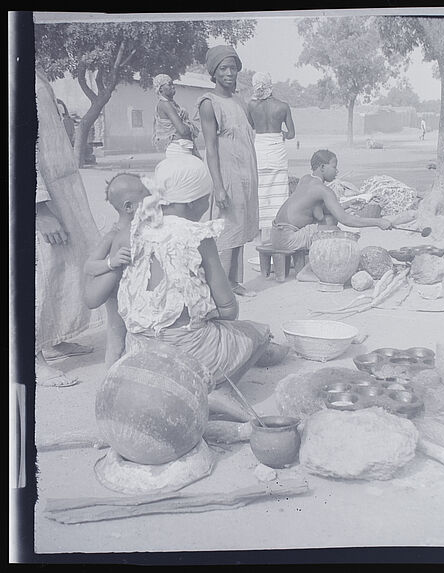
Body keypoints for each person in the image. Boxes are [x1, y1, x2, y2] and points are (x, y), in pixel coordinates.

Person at [116, 156, 283, 421]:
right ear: (193, 202)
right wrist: (213, 313)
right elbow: (229, 309)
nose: (209, 205)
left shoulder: (139, 229)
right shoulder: (197, 236)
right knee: (259, 334)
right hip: (187, 351)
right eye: (206, 199)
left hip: (138, 348)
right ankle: (216, 389)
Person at [35, 68, 101, 386]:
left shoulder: (33, 72)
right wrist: (38, 207)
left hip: (60, 187)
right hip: (37, 196)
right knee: (39, 275)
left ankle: (56, 337)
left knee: (65, 265)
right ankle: (30, 358)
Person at [195, 45, 259, 298]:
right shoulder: (209, 104)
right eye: (223, 68)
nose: (229, 73)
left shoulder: (239, 101)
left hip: (246, 174)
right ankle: (219, 289)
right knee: (225, 231)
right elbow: (210, 149)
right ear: (214, 72)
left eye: (233, 68)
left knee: (240, 227)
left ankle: (233, 282)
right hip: (227, 175)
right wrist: (219, 186)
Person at [83, 173, 149, 368]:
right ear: (129, 207)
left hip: (139, 296)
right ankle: (110, 379)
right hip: (117, 298)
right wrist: (111, 262)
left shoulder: (145, 229)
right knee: (116, 341)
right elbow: (89, 266)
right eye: (146, 199)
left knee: (137, 340)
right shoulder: (113, 235)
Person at [271, 149, 393, 252]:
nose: (337, 171)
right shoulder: (323, 190)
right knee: (335, 232)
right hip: (288, 239)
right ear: (323, 167)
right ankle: (308, 270)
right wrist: (378, 222)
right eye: (334, 167)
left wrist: (348, 204)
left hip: (276, 234)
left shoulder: (305, 179)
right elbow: (346, 220)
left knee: (330, 220)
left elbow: (317, 211)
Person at [247, 71, 295, 245]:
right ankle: (279, 236)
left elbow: (250, 127)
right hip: (277, 148)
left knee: (261, 191)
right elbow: (291, 134)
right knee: (279, 193)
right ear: (270, 85)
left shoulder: (251, 106)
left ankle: (262, 241)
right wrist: (278, 133)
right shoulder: (283, 106)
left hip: (259, 147)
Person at [152, 74, 201, 157]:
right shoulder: (165, 104)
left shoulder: (172, 104)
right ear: (160, 89)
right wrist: (190, 126)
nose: (173, 87)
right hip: (179, 149)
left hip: (183, 147)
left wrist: (185, 118)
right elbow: (183, 131)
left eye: (173, 84)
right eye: (169, 84)